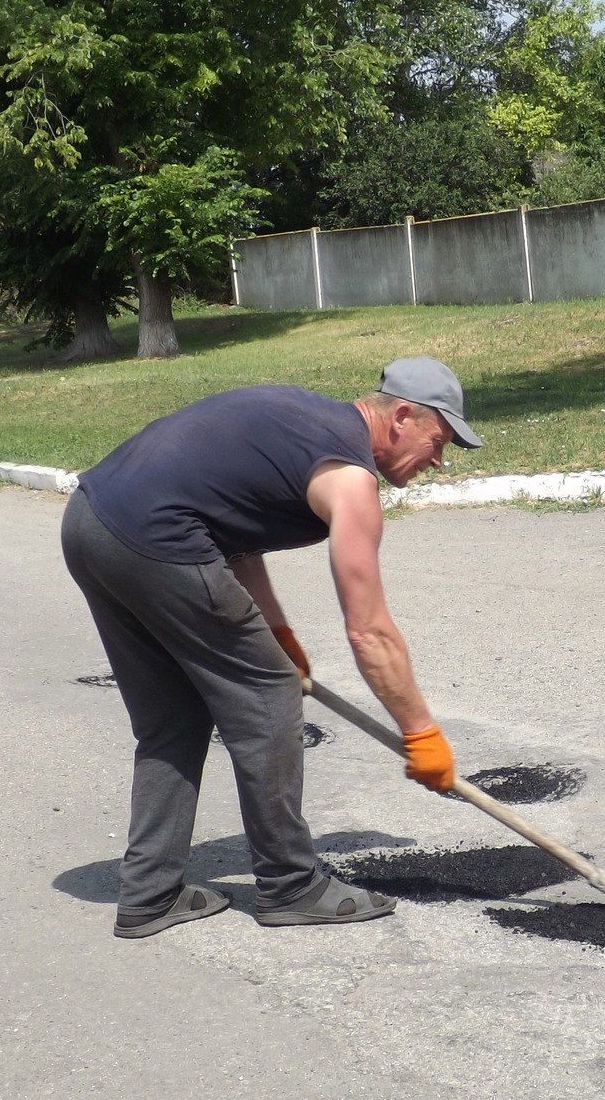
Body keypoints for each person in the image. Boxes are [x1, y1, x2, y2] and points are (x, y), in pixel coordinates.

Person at [61, 357, 481, 939]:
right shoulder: (350, 478)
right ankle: (291, 885)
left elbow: (231, 529)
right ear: (402, 417)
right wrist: (420, 732)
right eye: (438, 441)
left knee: (173, 717)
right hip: (155, 539)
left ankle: (150, 893)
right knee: (268, 696)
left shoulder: (303, 421)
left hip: (91, 524)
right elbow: (369, 630)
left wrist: (279, 635)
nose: (438, 460)